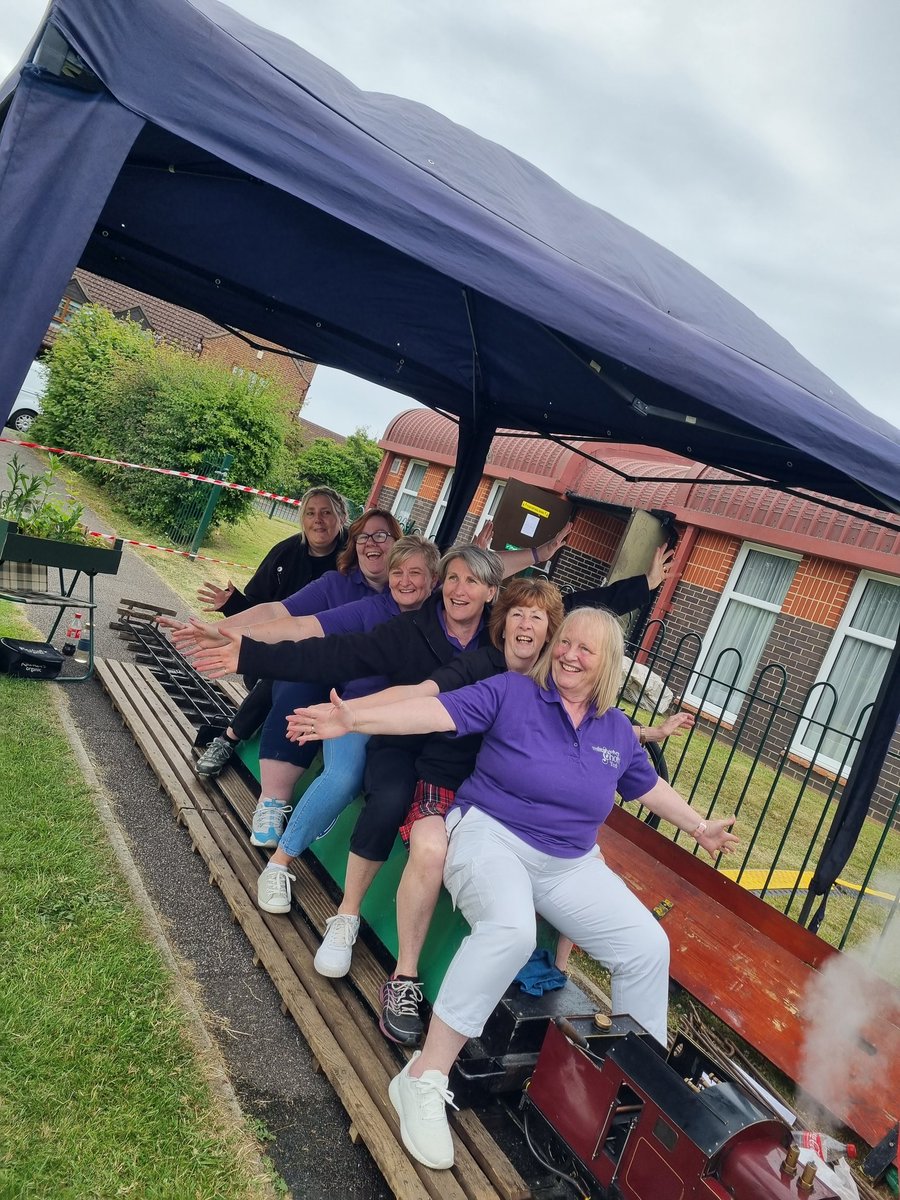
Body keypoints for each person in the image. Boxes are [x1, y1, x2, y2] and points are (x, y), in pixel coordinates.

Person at [290, 607, 738, 1170]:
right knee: (510, 929)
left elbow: (647, 787)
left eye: (586, 649)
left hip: (570, 863)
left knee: (646, 947)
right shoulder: (513, 693)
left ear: (608, 666)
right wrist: (352, 718)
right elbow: (432, 710)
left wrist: (699, 826)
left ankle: (630, 1100)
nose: (570, 655)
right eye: (565, 642)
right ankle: (424, 1075)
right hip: (491, 837)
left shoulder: (616, 730)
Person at [194, 546, 506, 963]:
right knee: (383, 796)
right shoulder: (410, 627)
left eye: (471, 581)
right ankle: (330, 904)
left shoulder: (498, 643)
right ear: (442, 583)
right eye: (454, 578)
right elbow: (335, 651)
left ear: (491, 591)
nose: (458, 589)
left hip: (450, 757)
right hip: (387, 733)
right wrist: (251, 652)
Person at [169, 505, 399, 777]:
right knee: (292, 662)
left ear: (398, 543)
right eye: (363, 537)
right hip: (325, 675)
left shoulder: (411, 593)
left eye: (381, 536)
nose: (371, 543)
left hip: (373, 692)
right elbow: (277, 611)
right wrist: (215, 630)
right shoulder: (334, 583)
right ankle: (229, 738)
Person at [243, 535, 441, 851]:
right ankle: (282, 857)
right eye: (397, 572)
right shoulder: (370, 608)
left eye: (415, 573)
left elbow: (484, 575)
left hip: (407, 723)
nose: (404, 581)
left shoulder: (442, 615)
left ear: (434, 579)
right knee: (342, 778)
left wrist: (540, 552)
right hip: (357, 712)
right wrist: (238, 638)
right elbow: (302, 626)